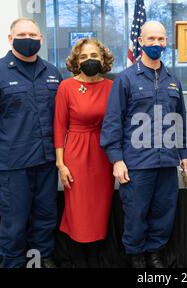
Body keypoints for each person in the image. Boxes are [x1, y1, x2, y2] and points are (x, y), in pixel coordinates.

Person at [0, 18, 62, 268]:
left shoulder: (52, 73)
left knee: (45, 218)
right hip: (12, 165)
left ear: (41, 39)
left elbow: (61, 118)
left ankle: (40, 261)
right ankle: (13, 264)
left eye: (33, 34)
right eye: (22, 34)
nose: (28, 39)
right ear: (10, 38)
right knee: (14, 223)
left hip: (46, 162)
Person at [101, 21, 187, 268]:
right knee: (136, 213)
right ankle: (136, 256)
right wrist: (116, 159)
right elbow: (112, 122)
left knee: (164, 211)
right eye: (151, 39)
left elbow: (180, 119)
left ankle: (154, 253)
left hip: (167, 162)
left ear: (166, 42)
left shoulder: (173, 78)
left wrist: (185, 154)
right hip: (136, 162)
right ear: (140, 41)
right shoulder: (126, 79)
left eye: (161, 39)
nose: (156, 44)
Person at [54, 39, 115, 254]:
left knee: (100, 206)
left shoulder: (111, 86)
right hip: (76, 153)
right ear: (76, 62)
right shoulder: (66, 87)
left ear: (103, 58)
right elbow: (60, 127)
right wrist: (61, 165)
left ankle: (98, 255)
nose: (89, 60)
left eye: (94, 56)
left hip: (103, 153)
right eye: (83, 57)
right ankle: (79, 255)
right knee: (79, 207)